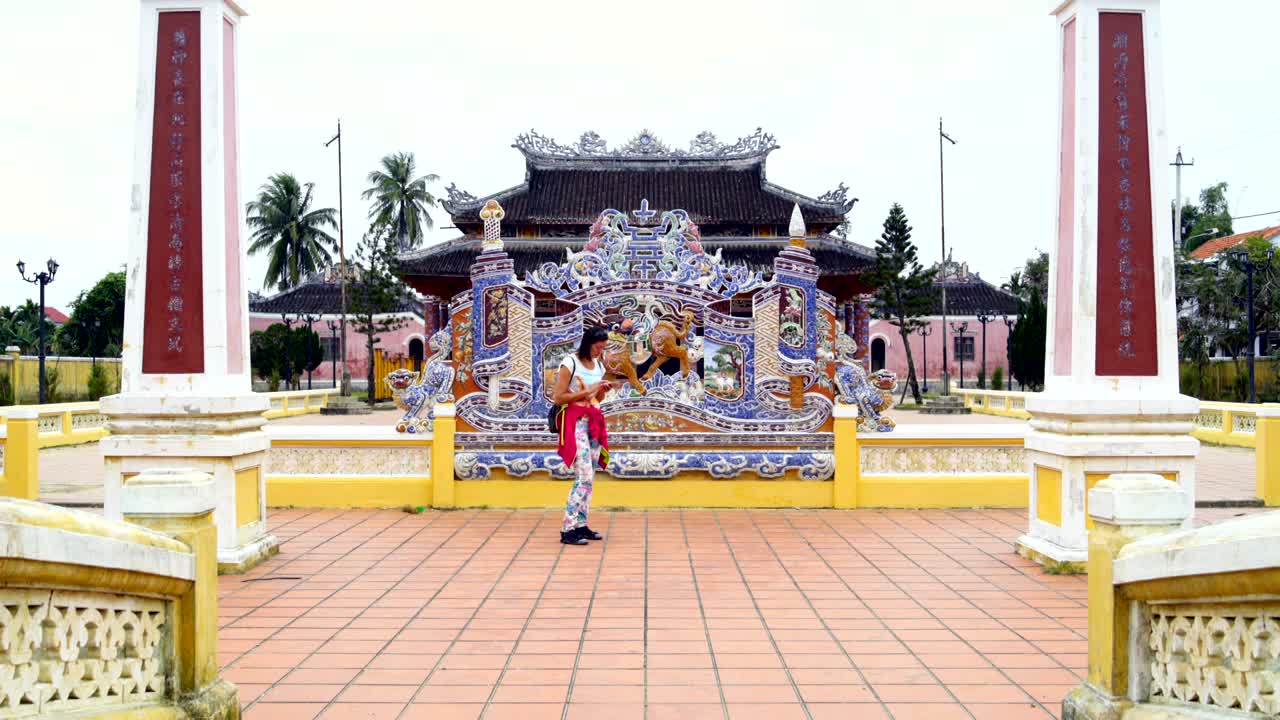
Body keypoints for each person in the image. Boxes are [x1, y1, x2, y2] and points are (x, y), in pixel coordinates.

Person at [552, 326, 614, 545]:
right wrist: (589, 390)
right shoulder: (570, 363)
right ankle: (567, 528)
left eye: (603, 348)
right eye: (598, 347)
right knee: (584, 475)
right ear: (588, 343)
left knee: (590, 476)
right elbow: (558, 397)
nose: (600, 352)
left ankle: (581, 524)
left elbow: (597, 399)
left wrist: (601, 391)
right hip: (575, 422)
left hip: (593, 422)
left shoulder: (598, 365)